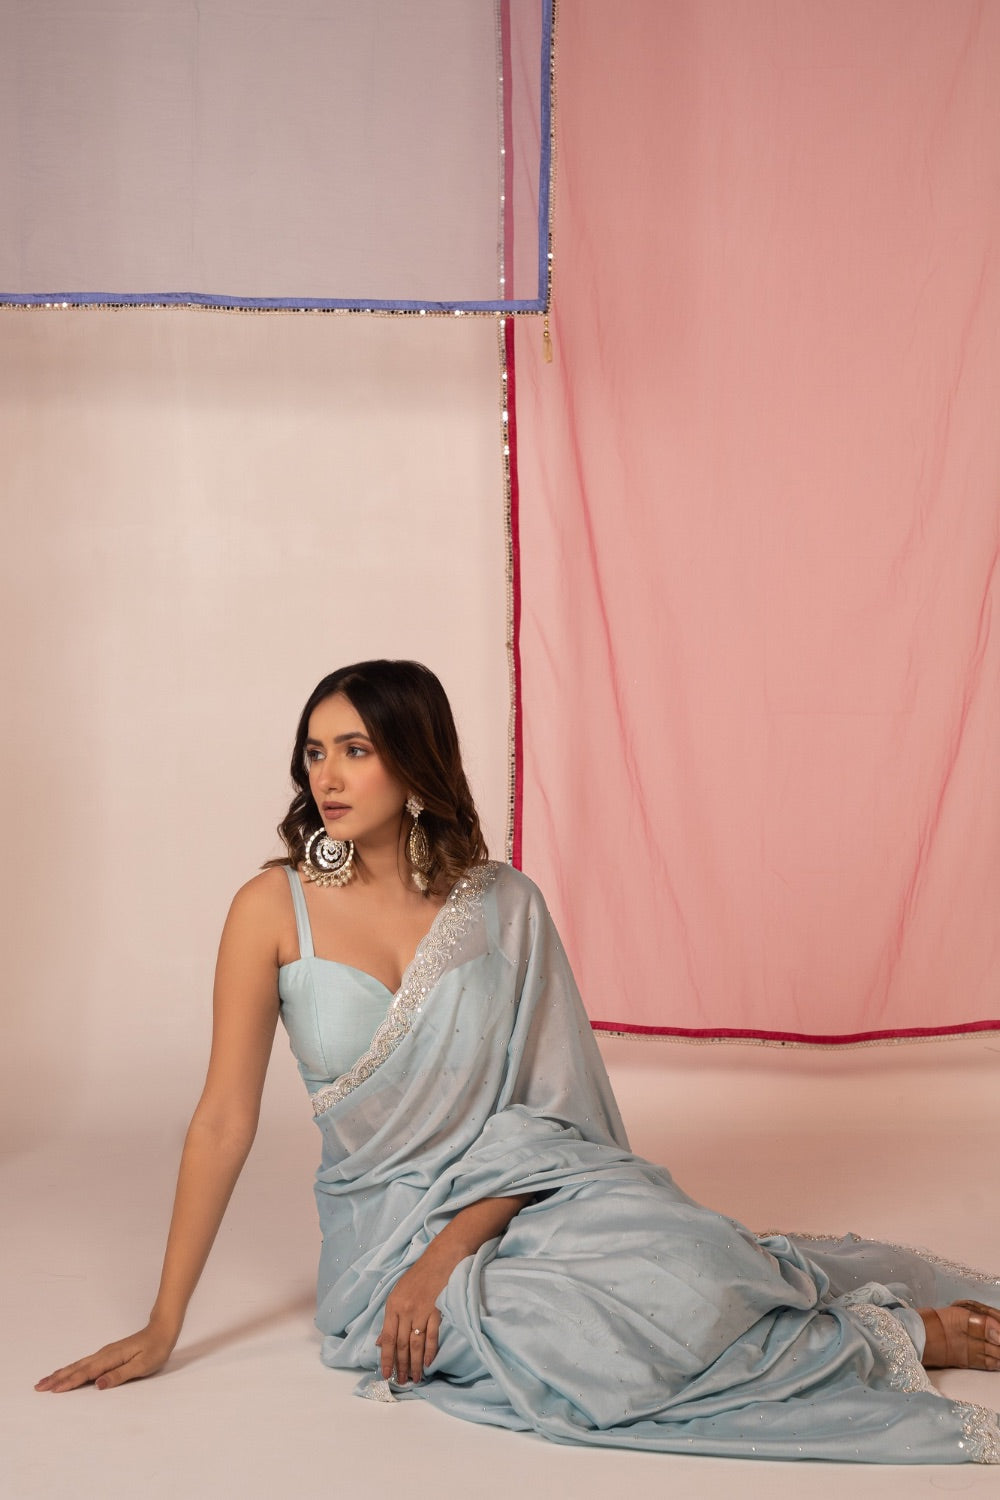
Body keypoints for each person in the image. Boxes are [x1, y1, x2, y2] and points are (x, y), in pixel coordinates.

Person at [35, 660, 1000, 1464]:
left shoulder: (502, 906)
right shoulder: (270, 908)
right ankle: (899, 1337)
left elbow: (550, 1114)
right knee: (575, 1345)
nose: (327, 775)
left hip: (523, 1196)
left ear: (414, 763)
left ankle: (865, 1316)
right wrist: (163, 1324)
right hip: (382, 1248)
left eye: (356, 750)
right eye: (315, 752)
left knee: (693, 1266)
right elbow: (221, 1120)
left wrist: (450, 1252)